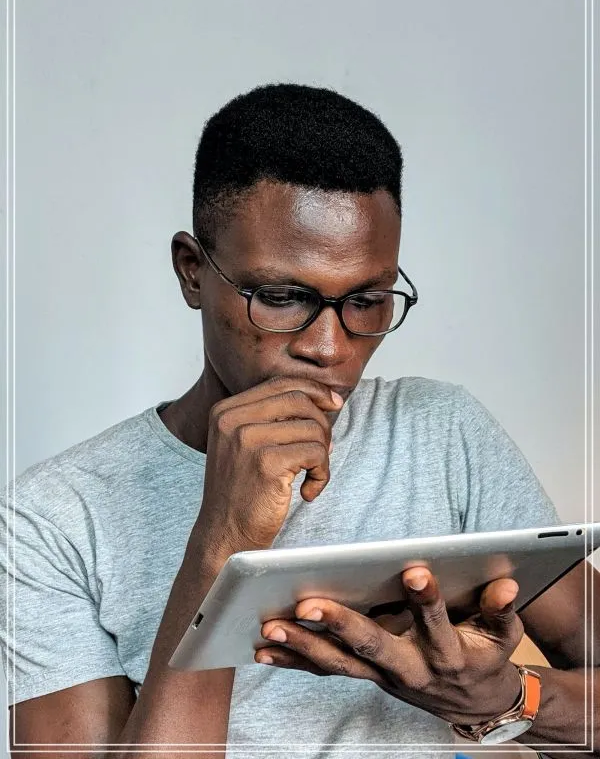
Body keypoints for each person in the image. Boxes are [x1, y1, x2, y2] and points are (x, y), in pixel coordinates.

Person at [1, 84, 597, 759]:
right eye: (283, 297)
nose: (329, 347)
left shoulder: (442, 433)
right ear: (192, 272)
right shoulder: (52, 518)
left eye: (367, 300)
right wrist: (222, 545)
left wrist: (503, 700)